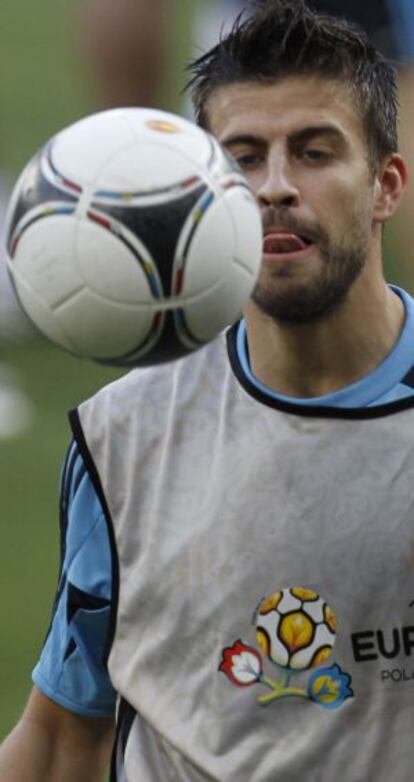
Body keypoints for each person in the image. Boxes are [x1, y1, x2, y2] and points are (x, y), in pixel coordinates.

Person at [1, 0, 414, 779]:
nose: (276, 188)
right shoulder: (127, 433)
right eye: (245, 158)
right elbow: (60, 737)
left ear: (387, 185)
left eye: (317, 153)